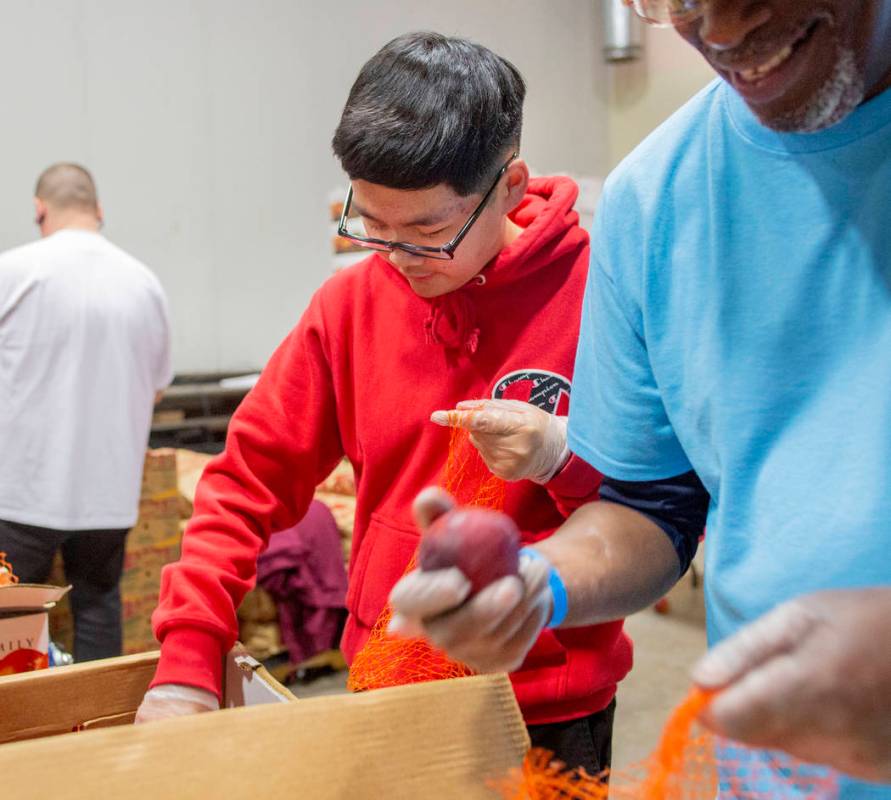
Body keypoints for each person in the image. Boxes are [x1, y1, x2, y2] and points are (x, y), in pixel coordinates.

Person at [389, 2, 891, 794]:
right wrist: (537, 582)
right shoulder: (657, 197)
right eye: (669, 3)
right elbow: (651, 505)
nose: (717, 30)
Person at [135, 32, 633, 775]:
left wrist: (563, 456)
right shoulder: (349, 305)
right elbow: (242, 485)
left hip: (545, 705)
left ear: (509, 185)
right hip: (386, 682)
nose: (397, 256)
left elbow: (651, 511)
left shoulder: (599, 295)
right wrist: (187, 660)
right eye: (371, 222)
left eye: (428, 231)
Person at [0, 163, 172, 662]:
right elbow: (158, 388)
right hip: (107, 494)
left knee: (11, 617)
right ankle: (98, 731)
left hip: (22, 492)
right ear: (99, 210)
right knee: (98, 606)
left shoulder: (14, 271)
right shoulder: (143, 283)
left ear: (39, 209)